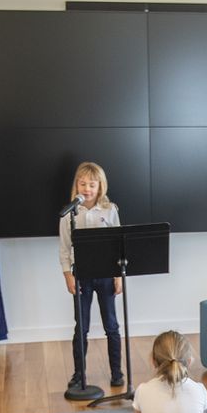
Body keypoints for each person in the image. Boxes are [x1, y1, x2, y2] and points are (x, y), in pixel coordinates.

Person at [60, 161, 123, 392]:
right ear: (76, 185)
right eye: (83, 183)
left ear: (100, 187)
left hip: (106, 274)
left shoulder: (110, 210)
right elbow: (65, 249)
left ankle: (117, 372)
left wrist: (117, 275)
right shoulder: (68, 214)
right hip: (82, 276)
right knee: (81, 326)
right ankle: (79, 374)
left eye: (92, 185)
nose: (87, 189)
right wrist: (68, 275)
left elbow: (118, 244)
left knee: (112, 325)